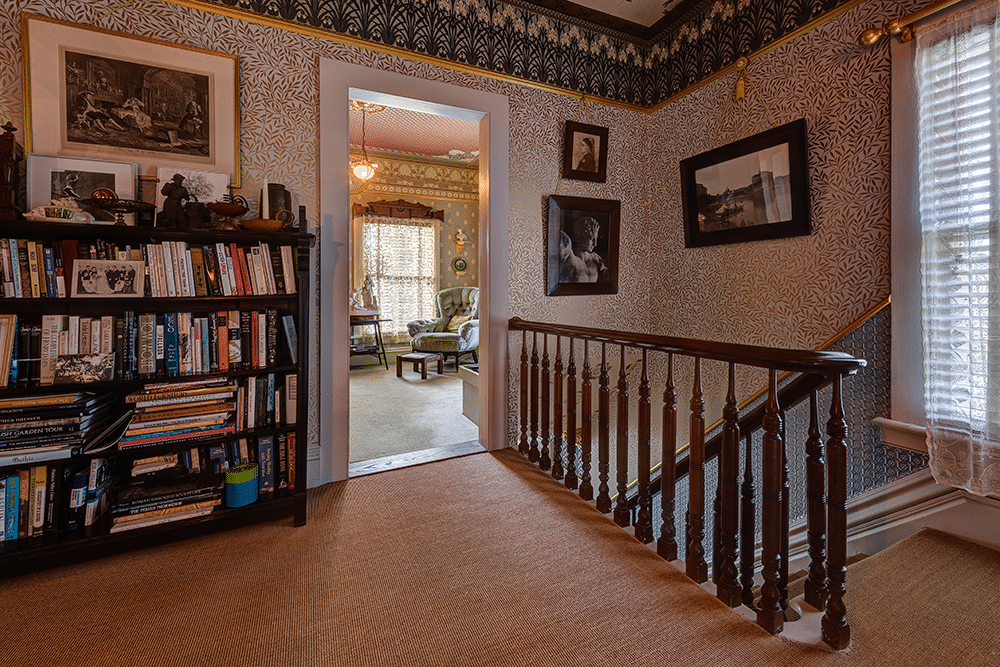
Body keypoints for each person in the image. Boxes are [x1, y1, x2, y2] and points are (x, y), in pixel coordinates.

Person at [558, 215, 607, 283]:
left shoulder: (596, 260)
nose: (595, 244)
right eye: (592, 239)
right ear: (580, 237)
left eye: (595, 239)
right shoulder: (568, 257)